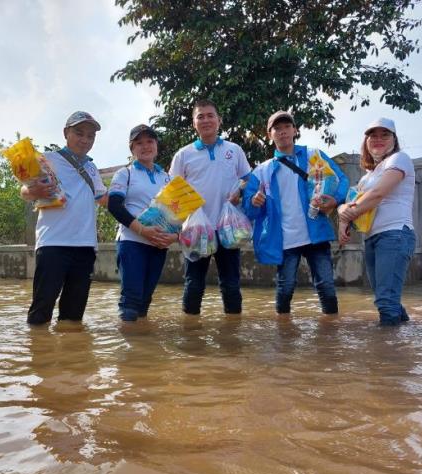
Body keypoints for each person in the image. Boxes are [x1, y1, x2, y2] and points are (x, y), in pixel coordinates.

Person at [242, 110, 349, 315]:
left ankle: (331, 334)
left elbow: (341, 179)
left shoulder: (313, 156)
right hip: (284, 239)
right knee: (285, 289)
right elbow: (249, 209)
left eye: (286, 127)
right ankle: (283, 337)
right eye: (277, 128)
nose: (282, 132)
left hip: (315, 234)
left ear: (295, 130)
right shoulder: (261, 171)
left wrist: (335, 200)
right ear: (269, 135)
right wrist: (255, 201)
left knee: (326, 287)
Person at [21, 111, 108, 325]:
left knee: (73, 315)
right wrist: (34, 192)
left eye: (90, 136)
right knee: (41, 310)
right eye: (79, 133)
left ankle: (72, 357)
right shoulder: (47, 160)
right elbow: (24, 190)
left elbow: (103, 198)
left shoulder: (91, 168)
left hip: (86, 247)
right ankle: (39, 354)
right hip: (53, 244)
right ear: (66, 133)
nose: (85, 140)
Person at [169, 99, 252, 315]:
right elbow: (172, 193)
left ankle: (233, 335)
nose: (206, 120)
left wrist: (240, 192)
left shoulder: (234, 150)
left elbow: (248, 180)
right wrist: (178, 229)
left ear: (219, 120)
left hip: (228, 230)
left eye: (210, 115)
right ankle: (190, 336)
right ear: (193, 123)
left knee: (231, 285)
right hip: (196, 231)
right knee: (194, 285)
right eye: (200, 116)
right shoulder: (183, 155)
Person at [337, 117, 416, 326]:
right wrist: (342, 215)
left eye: (385, 135)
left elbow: (378, 194)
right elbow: (352, 202)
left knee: (385, 301)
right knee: (386, 297)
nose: (378, 139)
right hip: (373, 238)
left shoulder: (399, 159)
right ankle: (406, 336)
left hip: (395, 234)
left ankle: (387, 356)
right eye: (373, 135)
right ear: (366, 142)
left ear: (394, 139)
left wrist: (347, 214)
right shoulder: (368, 176)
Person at [107, 124, 176, 322]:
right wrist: (142, 230)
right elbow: (114, 206)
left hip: (158, 244)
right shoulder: (125, 174)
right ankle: (129, 349)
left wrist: (173, 237)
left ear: (156, 145)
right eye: (139, 143)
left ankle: (143, 349)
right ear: (132, 149)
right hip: (131, 242)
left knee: (145, 300)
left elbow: (176, 213)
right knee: (130, 301)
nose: (145, 146)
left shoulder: (167, 178)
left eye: (150, 141)